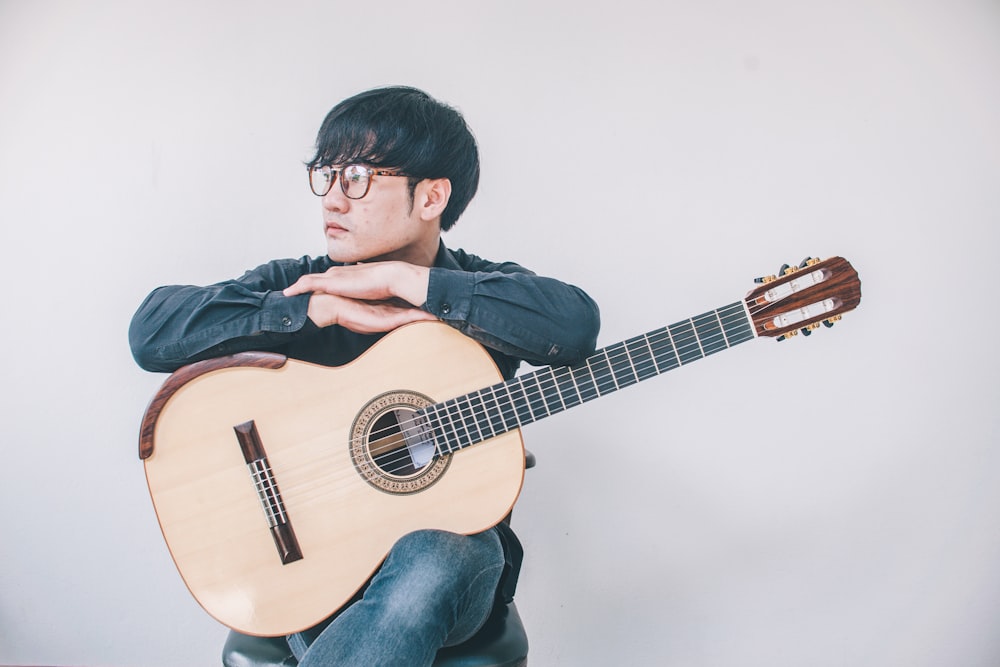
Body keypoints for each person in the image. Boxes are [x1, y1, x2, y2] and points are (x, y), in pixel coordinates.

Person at [129, 85, 601, 666]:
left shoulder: (484, 290)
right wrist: (311, 308)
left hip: (452, 568)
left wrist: (406, 284)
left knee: (439, 556)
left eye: (356, 178)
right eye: (325, 177)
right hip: (312, 563)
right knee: (342, 598)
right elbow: (151, 330)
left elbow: (575, 327)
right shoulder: (303, 281)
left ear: (430, 197)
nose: (331, 200)